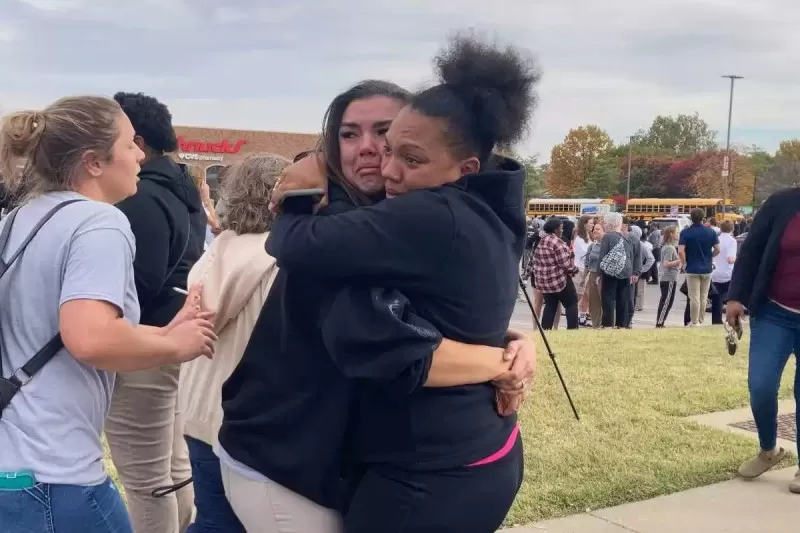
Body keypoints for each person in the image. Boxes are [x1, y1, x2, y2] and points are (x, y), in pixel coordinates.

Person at [219, 76, 536, 532]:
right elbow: (402, 354)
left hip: (357, 463)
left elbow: (430, 316)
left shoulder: (402, 225)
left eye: (387, 137)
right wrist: (501, 360)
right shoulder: (341, 236)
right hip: (286, 464)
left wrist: (510, 340)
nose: (374, 152)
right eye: (349, 134)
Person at [0, 96, 215, 532]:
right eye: (128, 144)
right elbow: (91, 338)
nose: (140, 154)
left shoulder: (20, 218)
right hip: (58, 481)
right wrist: (174, 343)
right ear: (94, 162)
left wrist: (159, 335)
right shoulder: (99, 222)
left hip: (16, 470)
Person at [107, 91, 208, 532]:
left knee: (146, 478)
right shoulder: (183, 190)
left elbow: (138, 282)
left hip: (145, 343)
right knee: (169, 467)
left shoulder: (143, 196)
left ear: (139, 142)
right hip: (171, 336)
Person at [178, 154, 289, 532]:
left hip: (199, 412)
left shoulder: (216, 250)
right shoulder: (282, 259)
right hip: (250, 419)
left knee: (211, 520)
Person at [727, 188, 800, 493]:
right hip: (774, 312)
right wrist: (735, 297)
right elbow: (752, 251)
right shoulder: (782, 203)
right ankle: (768, 449)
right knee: (761, 386)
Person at [533, 218, 579, 330]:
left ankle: (546, 330)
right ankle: (572, 330)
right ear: (555, 229)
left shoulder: (541, 241)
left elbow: (534, 260)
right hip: (558, 280)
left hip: (544, 281)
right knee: (571, 303)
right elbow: (565, 264)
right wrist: (574, 269)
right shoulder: (557, 242)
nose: (562, 230)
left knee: (550, 305)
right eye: (561, 228)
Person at [679, 207, 720, 326]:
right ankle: (701, 319)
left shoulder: (686, 232)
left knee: (694, 296)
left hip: (692, 268)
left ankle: (694, 321)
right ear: (703, 218)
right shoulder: (711, 232)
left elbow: (681, 251)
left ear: (691, 218)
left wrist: (684, 263)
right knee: (704, 295)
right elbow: (718, 249)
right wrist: (710, 257)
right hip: (707, 267)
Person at [598, 212, 637, 328]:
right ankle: (622, 323)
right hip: (626, 271)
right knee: (623, 299)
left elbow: (602, 255)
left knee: (608, 297)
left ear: (609, 224)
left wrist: (599, 274)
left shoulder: (607, 237)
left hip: (611, 272)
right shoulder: (627, 237)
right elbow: (631, 255)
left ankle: (608, 323)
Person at [710, 219, 737, 325]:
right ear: (732, 228)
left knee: (717, 299)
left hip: (715, 273)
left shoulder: (716, 239)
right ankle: (731, 320)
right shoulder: (732, 241)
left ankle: (716, 320)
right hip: (728, 273)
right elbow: (730, 259)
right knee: (731, 298)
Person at [655, 225, 682, 328]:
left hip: (666, 277)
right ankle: (660, 322)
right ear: (671, 234)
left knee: (666, 300)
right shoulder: (670, 248)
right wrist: (679, 260)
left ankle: (660, 321)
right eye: (676, 232)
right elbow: (666, 263)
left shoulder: (667, 247)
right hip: (669, 277)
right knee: (667, 301)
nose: (678, 234)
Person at [583, 221, 604, 328]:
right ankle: (596, 325)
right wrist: (583, 278)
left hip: (603, 276)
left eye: (598, 229)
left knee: (604, 302)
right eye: (594, 229)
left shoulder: (607, 245)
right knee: (593, 302)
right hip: (592, 275)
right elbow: (587, 263)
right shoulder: (592, 246)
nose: (594, 231)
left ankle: (604, 324)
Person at [574, 216, 592, 326]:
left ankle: (582, 317)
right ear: (584, 224)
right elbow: (585, 253)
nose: (592, 225)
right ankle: (573, 314)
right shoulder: (578, 237)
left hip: (588, 269)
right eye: (590, 223)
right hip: (580, 269)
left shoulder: (590, 236)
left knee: (586, 295)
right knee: (578, 295)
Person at [633, 226, 655, 313]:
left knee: (640, 290)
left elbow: (651, 258)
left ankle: (639, 305)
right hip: (632, 271)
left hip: (639, 271)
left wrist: (642, 269)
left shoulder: (642, 245)